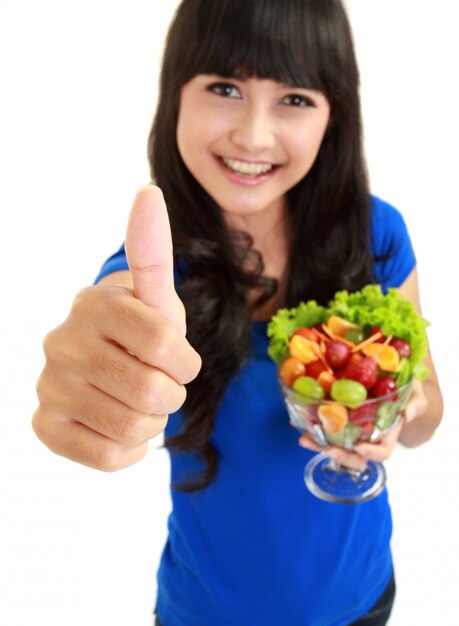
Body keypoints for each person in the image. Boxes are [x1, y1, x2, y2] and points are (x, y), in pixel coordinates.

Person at [32, 0, 443, 624]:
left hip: (362, 598)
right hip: (203, 610)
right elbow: (114, 311)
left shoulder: (377, 233)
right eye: (225, 87)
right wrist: (92, 362)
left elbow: (428, 409)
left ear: (336, 114)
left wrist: (398, 412)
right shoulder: (155, 268)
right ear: (175, 94)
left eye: (295, 98)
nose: (253, 135)